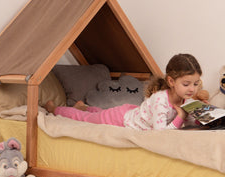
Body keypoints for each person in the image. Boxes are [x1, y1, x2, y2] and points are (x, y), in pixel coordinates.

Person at [45, 53, 202, 130]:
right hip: (120, 119)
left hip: (133, 112)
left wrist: (201, 117)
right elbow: (160, 134)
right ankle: (55, 109)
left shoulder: (184, 100)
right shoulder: (160, 100)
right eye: (187, 84)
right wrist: (181, 116)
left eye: (196, 84)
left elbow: (184, 121)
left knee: (95, 114)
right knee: (86, 118)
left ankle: (84, 106)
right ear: (171, 81)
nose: (192, 89)